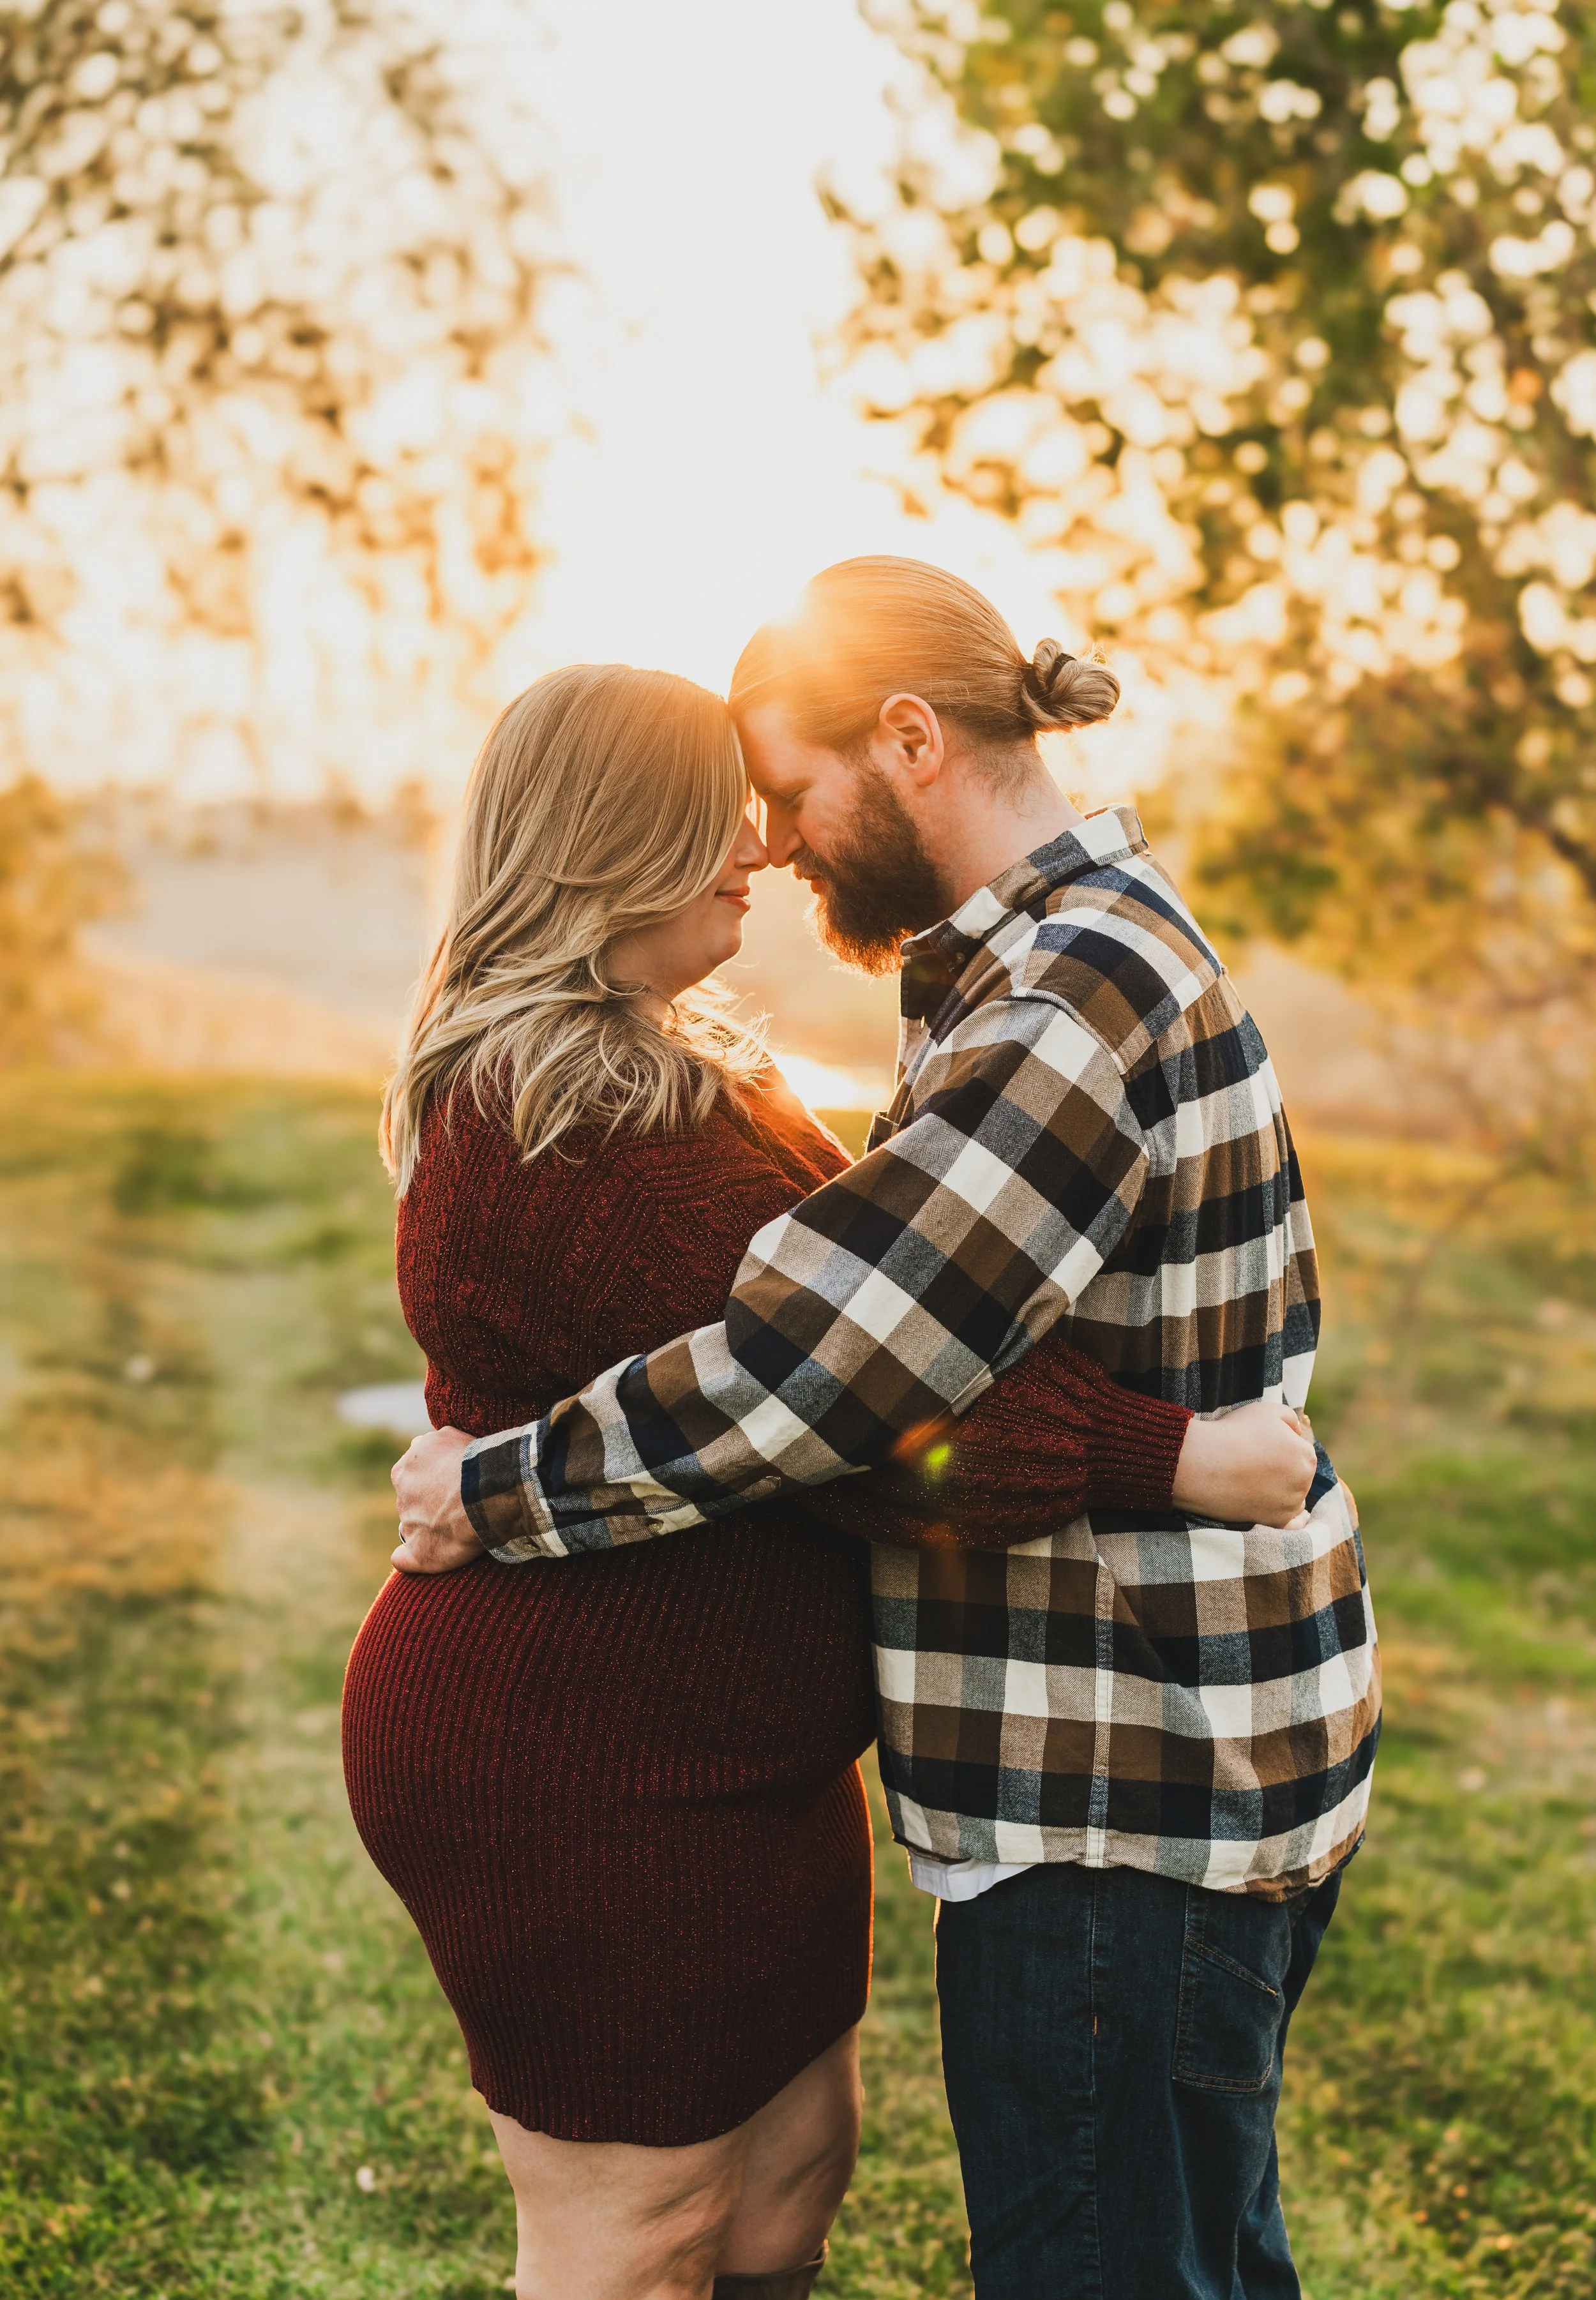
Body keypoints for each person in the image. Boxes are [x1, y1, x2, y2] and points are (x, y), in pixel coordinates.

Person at [393, 560, 1381, 2300]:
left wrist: (501, 1487)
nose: (770, 845)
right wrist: (1164, 1447)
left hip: (1116, 1767)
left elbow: (825, 1379)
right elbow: (881, 1316)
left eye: (783, 790)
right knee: (1186, 2254)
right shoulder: (1061, 967)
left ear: (910, 738)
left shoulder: (1062, 1000)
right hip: (1123, 1755)